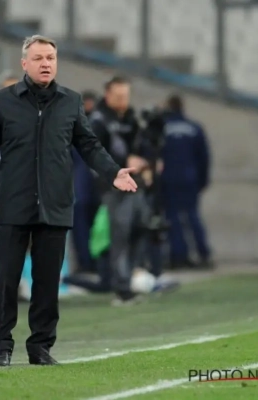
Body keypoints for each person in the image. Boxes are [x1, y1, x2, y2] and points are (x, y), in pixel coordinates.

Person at [0, 35, 137, 367]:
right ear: (24, 64)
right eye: (39, 58)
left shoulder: (71, 101)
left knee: (47, 282)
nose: (46, 64)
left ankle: (40, 347)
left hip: (55, 204)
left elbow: (89, 145)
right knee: (6, 279)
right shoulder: (2, 101)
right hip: (14, 203)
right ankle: (1, 346)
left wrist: (113, 172)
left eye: (51, 58)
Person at [88, 76, 154, 305]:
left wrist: (148, 165)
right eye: (118, 96)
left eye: (126, 96)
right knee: (120, 234)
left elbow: (142, 146)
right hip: (114, 186)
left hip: (136, 184)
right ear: (108, 95)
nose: (123, 100)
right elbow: (96, 154)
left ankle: (132, 275)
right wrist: (125, 162)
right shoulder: (98, 120)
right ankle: (122, 287)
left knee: (141, 228)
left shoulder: (130, 118)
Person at [161, 94, 212, 269]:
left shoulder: (162, 128)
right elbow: (204, 157)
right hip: (190, 179)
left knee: (172, 217)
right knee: (192, 216)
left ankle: (178, 255)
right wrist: (203, 180)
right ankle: (203, 253)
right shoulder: (194, 128)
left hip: (168, 179)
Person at [70, 90, 101, 275]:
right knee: (86, 226)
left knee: (89, 226)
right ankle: (91, 262)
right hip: (86, 186)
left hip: (85, 186)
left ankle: (89, 262)